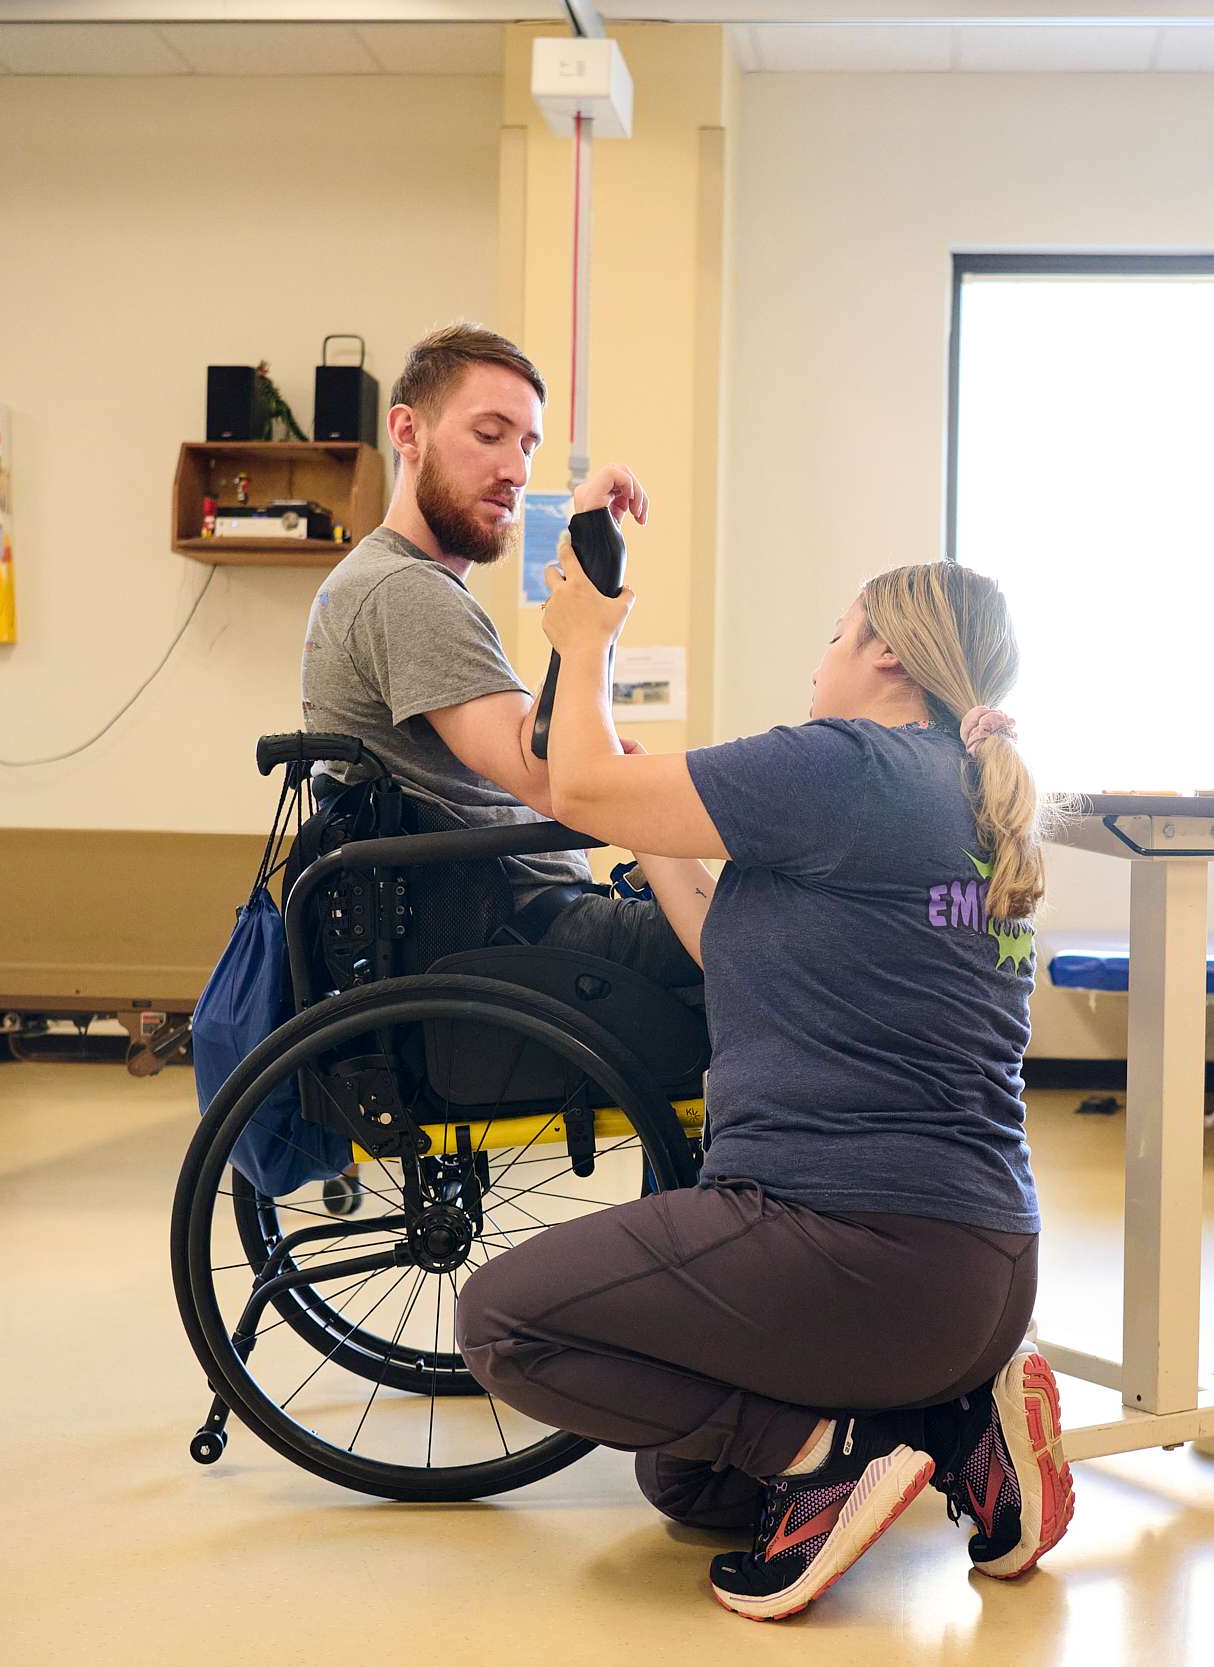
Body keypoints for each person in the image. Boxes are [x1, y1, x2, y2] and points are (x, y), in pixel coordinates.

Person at [455, 554, 1072, 1621]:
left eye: (835, 633)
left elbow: (578, 787)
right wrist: (656, 832)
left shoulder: (846, 765)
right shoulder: (961, 801)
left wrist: (583, 639)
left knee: (503, 1321)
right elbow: (731, 946)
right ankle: (962, 1431)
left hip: (852, 1247)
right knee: (691, 1481)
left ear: (885, 651)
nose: (819, 660)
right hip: (979, 1272)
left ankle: (835, 1451)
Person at [297, 322, 694, 983]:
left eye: (527, 443)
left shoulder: (394, 586)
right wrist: (590, 595)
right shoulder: (403, 590)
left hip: (513, 921)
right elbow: (551, 777)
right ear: (406, 432)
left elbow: (550, 760)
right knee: (769, 943)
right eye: (489, 435)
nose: (515, 469)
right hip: (519, 933)